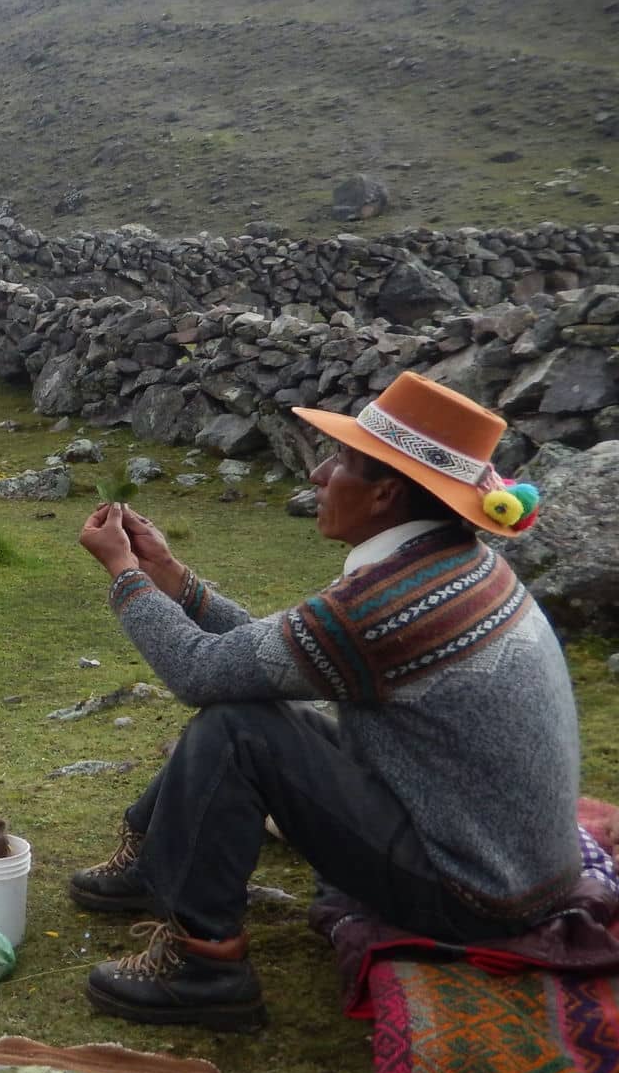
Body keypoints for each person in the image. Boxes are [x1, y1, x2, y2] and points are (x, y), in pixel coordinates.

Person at [71, 371, 580, 1031]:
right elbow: (271, 655)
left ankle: (207, 965)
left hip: (473, 892)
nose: (318, 475)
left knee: (237, 730)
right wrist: (173, 580)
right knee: (254, 710)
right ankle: (152, 862)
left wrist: (126, 577)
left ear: (385, 494)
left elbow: (201, 673)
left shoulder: (390, 604)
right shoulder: (455, 564)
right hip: (506, 860)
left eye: (340, 461)